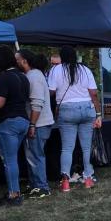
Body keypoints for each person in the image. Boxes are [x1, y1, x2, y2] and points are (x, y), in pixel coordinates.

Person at [47, 46, 102, 192]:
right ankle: (88, 178)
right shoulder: (85, 70)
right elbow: (94, 93)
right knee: (86, 147)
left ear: (62, 57)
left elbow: (51, 91)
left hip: (66, 110)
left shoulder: (56, 70)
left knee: (67, 148)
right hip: (86, 108)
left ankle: (65, 182)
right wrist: (98, 114)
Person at [0, 46, 30, 206]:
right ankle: (14, 190)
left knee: (9, 160)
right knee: (13, 159)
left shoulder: (4, 78)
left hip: (8, 123)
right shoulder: (23, 77)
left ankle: (13, 194)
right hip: (23, 120)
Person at [16, 50, 53, 198]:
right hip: (37, 123)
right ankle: (34, 185)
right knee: (32, 155)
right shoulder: (33, 76)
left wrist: (32, 124)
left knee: (35, 155)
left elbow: (37, 103)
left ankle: (42, 187)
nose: (15, 62)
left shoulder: (34, 77)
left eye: (17, 59)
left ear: (25, 61)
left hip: (39, 124)